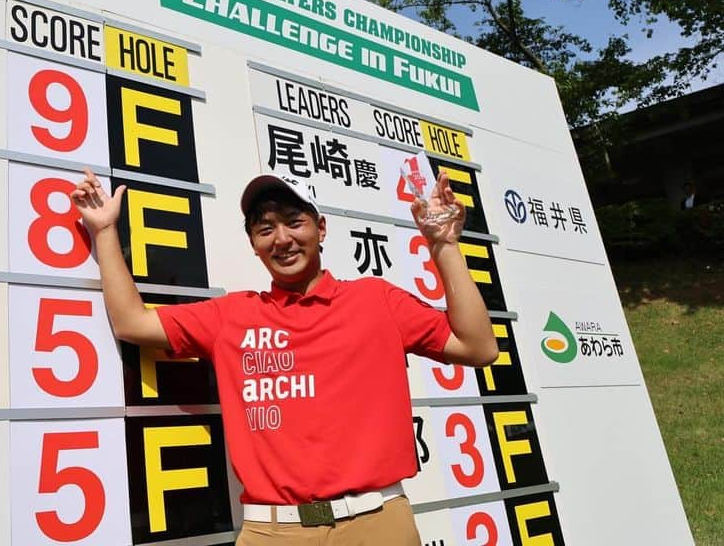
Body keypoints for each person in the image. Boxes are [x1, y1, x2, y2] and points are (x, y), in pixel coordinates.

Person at [71, 168, 498, 545]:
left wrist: (443, 244)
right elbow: (132, 323)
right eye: (265, 229)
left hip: (378, 522)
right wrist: (104, 230)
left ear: (321, 228)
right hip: (272, 532)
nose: (282, 240)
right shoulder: (232, 315)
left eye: (295, 222)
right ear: (254, 244)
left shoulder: (376, 300)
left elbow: (479, 348)